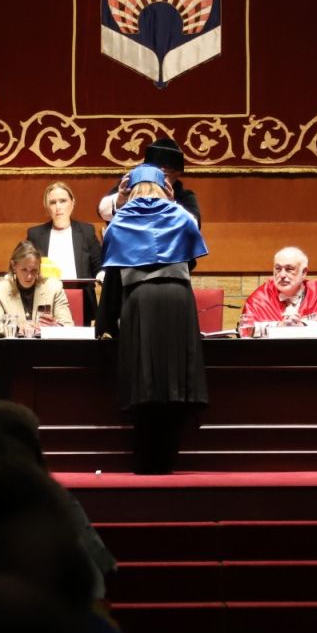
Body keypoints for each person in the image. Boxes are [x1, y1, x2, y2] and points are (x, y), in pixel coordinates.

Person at [95, 165, 209, 474]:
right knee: (175, 378)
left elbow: (113, 273)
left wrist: (105, 324)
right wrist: (173, 203)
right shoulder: (181, 217)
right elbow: (191, 260)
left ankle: (146, 461)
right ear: (166, 189)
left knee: (144, 377)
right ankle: (168, 457)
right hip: (178, 300)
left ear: (129, 189)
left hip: (141, 300)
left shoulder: (120, 221)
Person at [240, 247, 317, 330]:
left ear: (303, 273)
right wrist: (278, 326)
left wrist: (304, 326)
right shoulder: (259, 299)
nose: (282, 275)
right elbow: (246, 329)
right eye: (278, 269)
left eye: (289, 269)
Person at [0, 240, 71, 337]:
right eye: (24, 270)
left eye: (34, 270)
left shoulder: (54, 288)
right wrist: (19, 329)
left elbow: (68, 325)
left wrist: (54, 327)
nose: (29, 276)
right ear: (14, 266)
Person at [25, 181, 102, 284]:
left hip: (81, 292)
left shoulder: (86, 232)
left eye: (63, 201)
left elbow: (99, 266)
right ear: (47, 207)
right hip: (46, 292)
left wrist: (101, 274)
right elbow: (26, 267)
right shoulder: (35, 235)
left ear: (72, 203)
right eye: (53, 202)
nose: (58, 207)